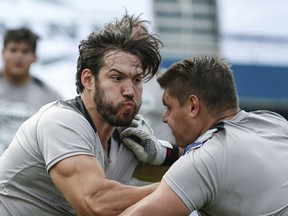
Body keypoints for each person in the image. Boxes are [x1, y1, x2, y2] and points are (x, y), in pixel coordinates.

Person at [0, 13, 182, 216]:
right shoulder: (61, 121)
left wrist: (165, 156)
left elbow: (181, 170)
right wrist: (183, 190)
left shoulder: (126, 136)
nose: (130, 90)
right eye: (117, 77)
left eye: (137, 80)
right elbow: (95, 204)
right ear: (88, 79)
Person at [119, 55, 288, 216]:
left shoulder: (203, 161)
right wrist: (164, 152)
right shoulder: (274, 122)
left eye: (168, 107)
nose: (165, 118)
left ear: (193, 106)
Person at [0, 27, 62, 155]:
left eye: (25, 51)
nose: (19, 56)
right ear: (3, 53)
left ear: (34, 57)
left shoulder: (50, 98)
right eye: (13, 50)